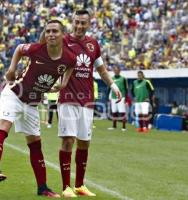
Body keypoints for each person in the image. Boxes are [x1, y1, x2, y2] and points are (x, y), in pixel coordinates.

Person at [0, 20, 76, 198]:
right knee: (4, 126)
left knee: (35, 144)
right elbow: (19, 48)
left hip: (32, 103)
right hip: (14, 94)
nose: (51, 34)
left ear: (62, 35)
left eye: (55, 31)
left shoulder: (69, 58)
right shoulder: (37, 49)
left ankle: (42, 188)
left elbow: (71, 65)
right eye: (48, 31)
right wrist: (11, 69)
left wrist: (64, 82)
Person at [55, 10, 122, 197]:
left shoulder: (93, 44)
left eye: (83, 23)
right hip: (68, 99)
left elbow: (101, 70)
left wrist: (113, 85)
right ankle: (65, 187)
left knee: (84, 142)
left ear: (88, 24)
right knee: (68, 140)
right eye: (76, 22)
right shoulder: (63, 42)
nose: (79, 26)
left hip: (87, 101)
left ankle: (79, 185)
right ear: (72, 21)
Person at [108, 66, 128, 131]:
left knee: (122, 112)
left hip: (121, 98)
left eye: (117, 70)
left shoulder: (123, 79)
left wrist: (126, 98)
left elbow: (126, 89)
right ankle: (114, 126)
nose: (116, 71)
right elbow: (109, 88)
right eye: (115, 70)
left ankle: (124, 127)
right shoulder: (111, 78)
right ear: (113, 71)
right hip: (113, 97)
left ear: (119, 71)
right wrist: (108, 97)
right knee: (114, 112)